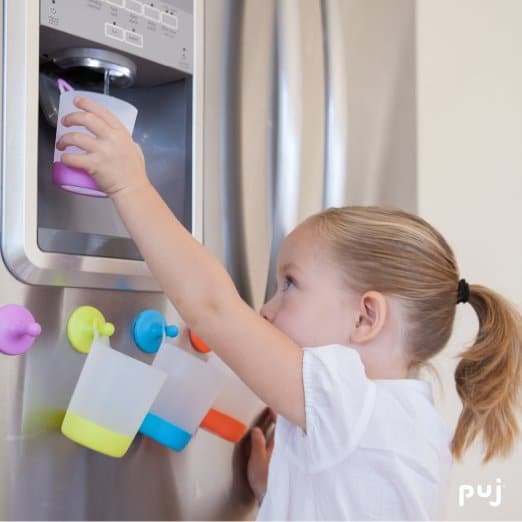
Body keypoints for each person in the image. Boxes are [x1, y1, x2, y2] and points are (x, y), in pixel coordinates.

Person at [57, 96, 522, 520]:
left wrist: (129, 185)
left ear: (366, 318)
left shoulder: (348, 398)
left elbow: (213, 308)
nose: (265, 310)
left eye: (289, 285)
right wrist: (283, 489)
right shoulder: (413, 424)